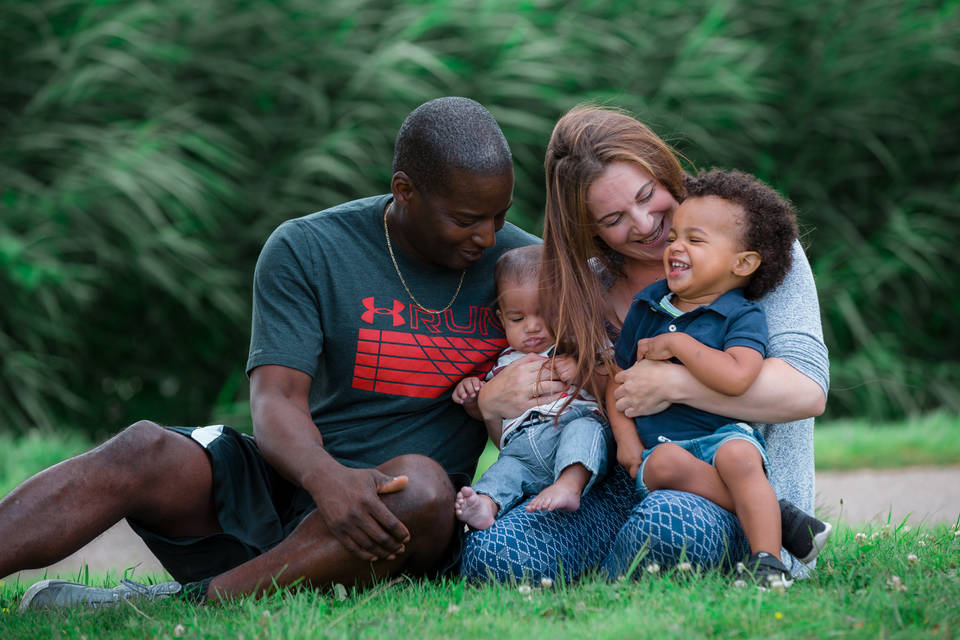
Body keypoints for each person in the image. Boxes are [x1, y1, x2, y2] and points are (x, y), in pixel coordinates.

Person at [2, 96, 539, 610]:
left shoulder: (525, 268)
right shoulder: (310, 247)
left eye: (499, 215)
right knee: (140, 447)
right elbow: (276, 399)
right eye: (467, 219)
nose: (488, 237)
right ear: (405, 190)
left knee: (423, 485)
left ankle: (195, 600)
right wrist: (326, 478)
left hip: (402, 516)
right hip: (292, 482)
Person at [460, 105, 830, 583]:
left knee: (670, 525)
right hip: (624, 480)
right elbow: (573, 403)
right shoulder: (585, 289)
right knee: (497, 554)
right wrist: (491, 402)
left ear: (664, 170)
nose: (643, 223)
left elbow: (806, 391)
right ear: (589, 229)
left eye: (646, 194)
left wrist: (673, 382)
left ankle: (761, 544)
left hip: (738, 484)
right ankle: (610, 566)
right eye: (614, 217)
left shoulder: (747, 249)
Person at [606, 168, 830, 587]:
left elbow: (738, 377)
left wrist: (679, 348)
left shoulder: (741, 314)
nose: (675, 246)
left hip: (722, 436)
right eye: (674, 237)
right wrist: (625, 440)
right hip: (661, 448)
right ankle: (780, 518)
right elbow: (617, 382)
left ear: (742, 263)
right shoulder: (649, 306)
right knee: (670, 463)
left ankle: (767, 562)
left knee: (740, 458)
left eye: (695, 240)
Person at [453, 245, 610, 530]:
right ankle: (485, 505)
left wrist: (582, 370)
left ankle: (569, 485)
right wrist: (473, 395)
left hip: (570, 429)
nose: (533, 327)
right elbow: (492, 417)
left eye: (544, 313)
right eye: (518, 319)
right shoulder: (502, 363)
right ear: (502, 319)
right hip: (522, 448)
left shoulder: (578, 347)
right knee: (505, 470)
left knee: (586, 430)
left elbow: (610, 380)